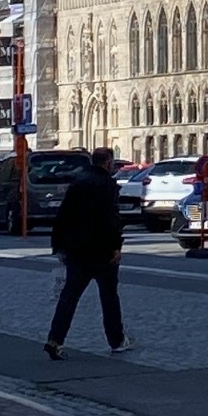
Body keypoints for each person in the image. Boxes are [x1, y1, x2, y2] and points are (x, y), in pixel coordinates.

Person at [43, 147, 133, 359]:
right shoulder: (107, 185)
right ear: (108, 162)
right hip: (102, 251)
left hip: (77, 250)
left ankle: (54, 340)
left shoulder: (78, 182)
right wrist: (116, 246)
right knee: (109, 297)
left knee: (69, 296)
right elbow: (111, 218)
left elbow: (63, 215)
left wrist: (59, 246)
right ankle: (117, 340)